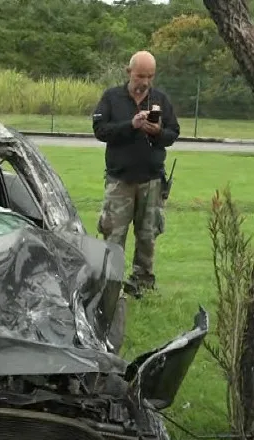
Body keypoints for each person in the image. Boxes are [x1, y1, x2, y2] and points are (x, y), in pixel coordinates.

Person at [91, 50, 179, 297]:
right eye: (141, 75)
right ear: (129, 72)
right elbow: (100, 130)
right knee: (114, 233)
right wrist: (131, 126)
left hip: (151, 180)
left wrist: (157, 131)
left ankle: (142, 282)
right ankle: (111, 284)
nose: (145, 82)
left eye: (150, 76)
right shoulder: (112, 98)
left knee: (148, 234)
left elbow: (173, 133)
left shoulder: (160, 99)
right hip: (120, 180)